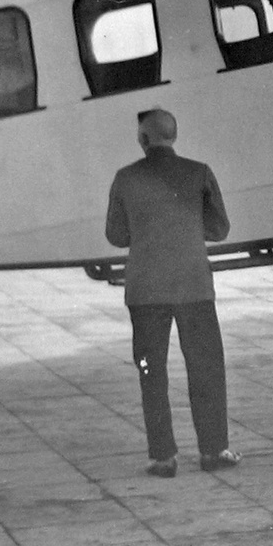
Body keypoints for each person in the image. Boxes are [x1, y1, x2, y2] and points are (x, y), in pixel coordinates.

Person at [106, 108, 238, 477]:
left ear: (143, 139)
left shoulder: (125, 178)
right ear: (173, 136)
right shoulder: (199, 173)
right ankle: (214, 451)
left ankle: (163, 457)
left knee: (152, 373)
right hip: (193, 286)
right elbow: (220, 228)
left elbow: (116, 235)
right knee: (206, 369)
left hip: (146, 291)